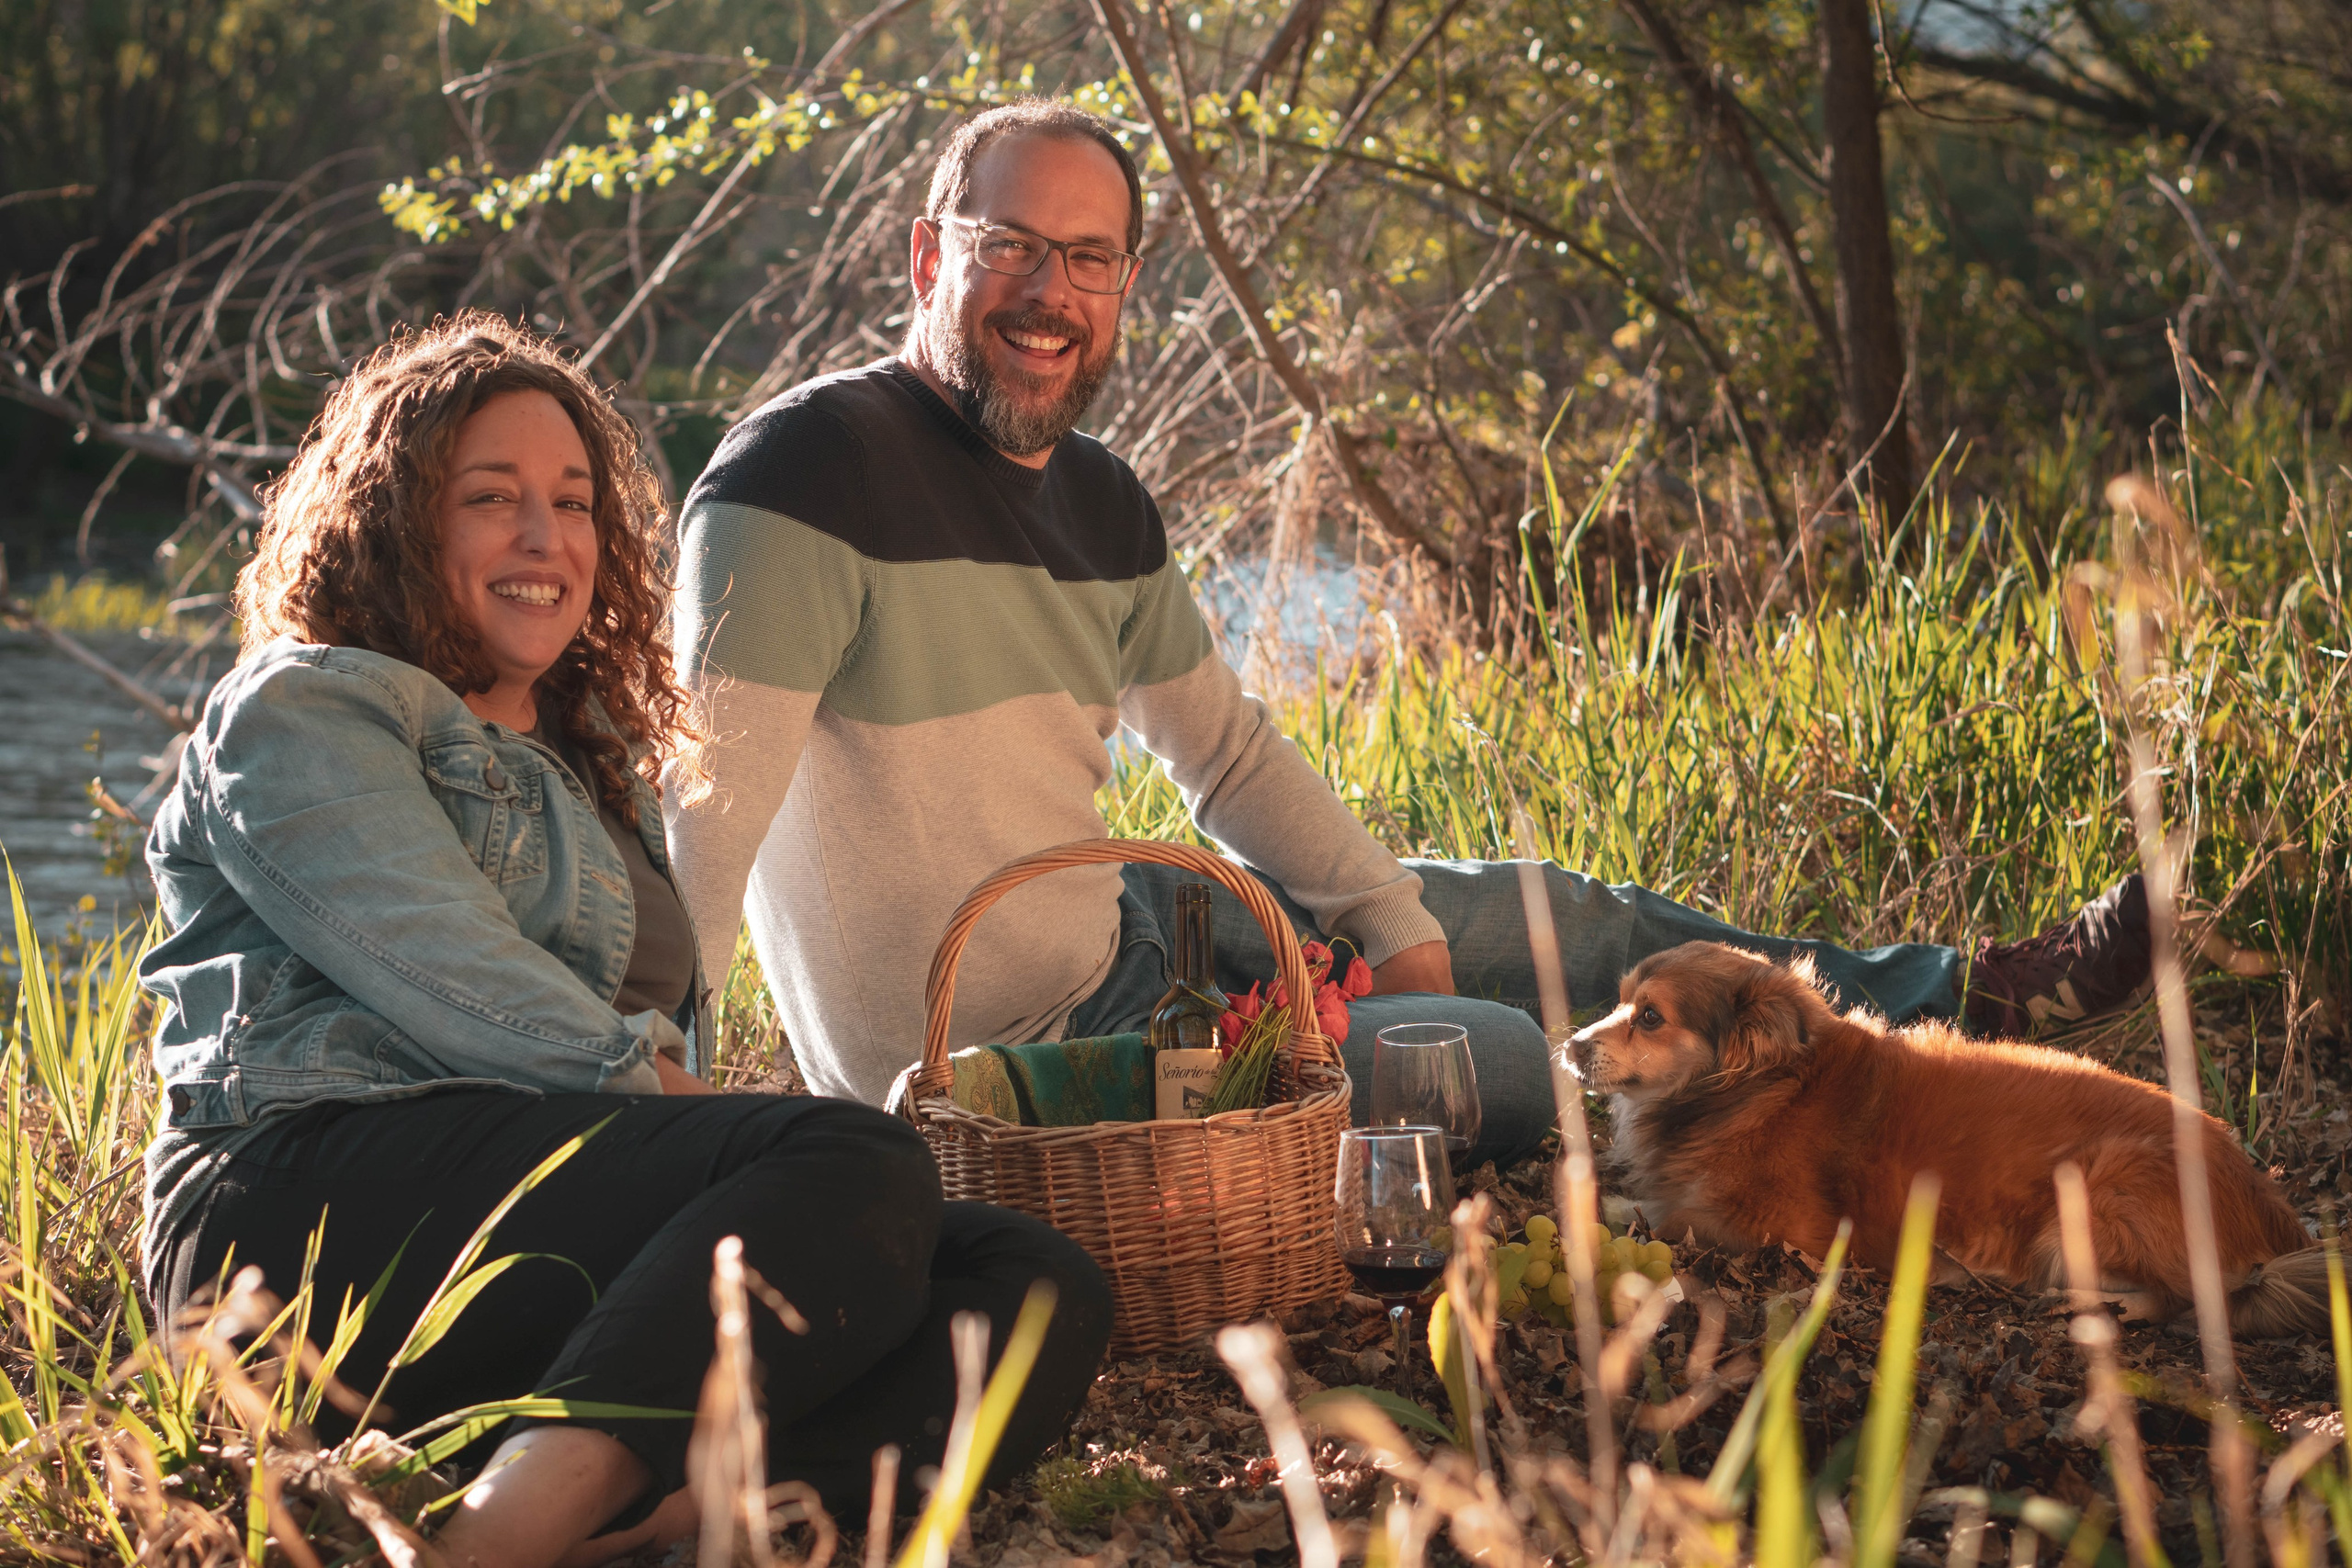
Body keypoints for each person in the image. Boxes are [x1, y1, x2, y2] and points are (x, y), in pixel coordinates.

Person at [664, 102, 2151, 1168]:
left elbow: (1229, 754)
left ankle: (1955, 996)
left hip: (1146, 936)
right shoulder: (803, 475)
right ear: (931, 256)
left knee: (1555, 918)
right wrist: (654, 1071)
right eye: (1012, 246)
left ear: (1128, 284)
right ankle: (1842, 1130)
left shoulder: (1098, 501)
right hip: (1025, 1073)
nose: (1054, 294)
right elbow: (708, 808)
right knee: (1493, 1064)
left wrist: (1392, 925)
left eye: (1094, 257)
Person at [138, 313, 1110, 1568]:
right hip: (294, 1224)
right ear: (396, 518)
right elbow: (451, 976)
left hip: (521, 1228)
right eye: (492, 498)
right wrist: (687, 1112)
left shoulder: (592, 757)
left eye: (575, 500)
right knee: (850, 1159)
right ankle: (488, 1547)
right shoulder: (303, 705)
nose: (548, 538)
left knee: (1032, 1280)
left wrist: (725, 1157)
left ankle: (642, 1524)